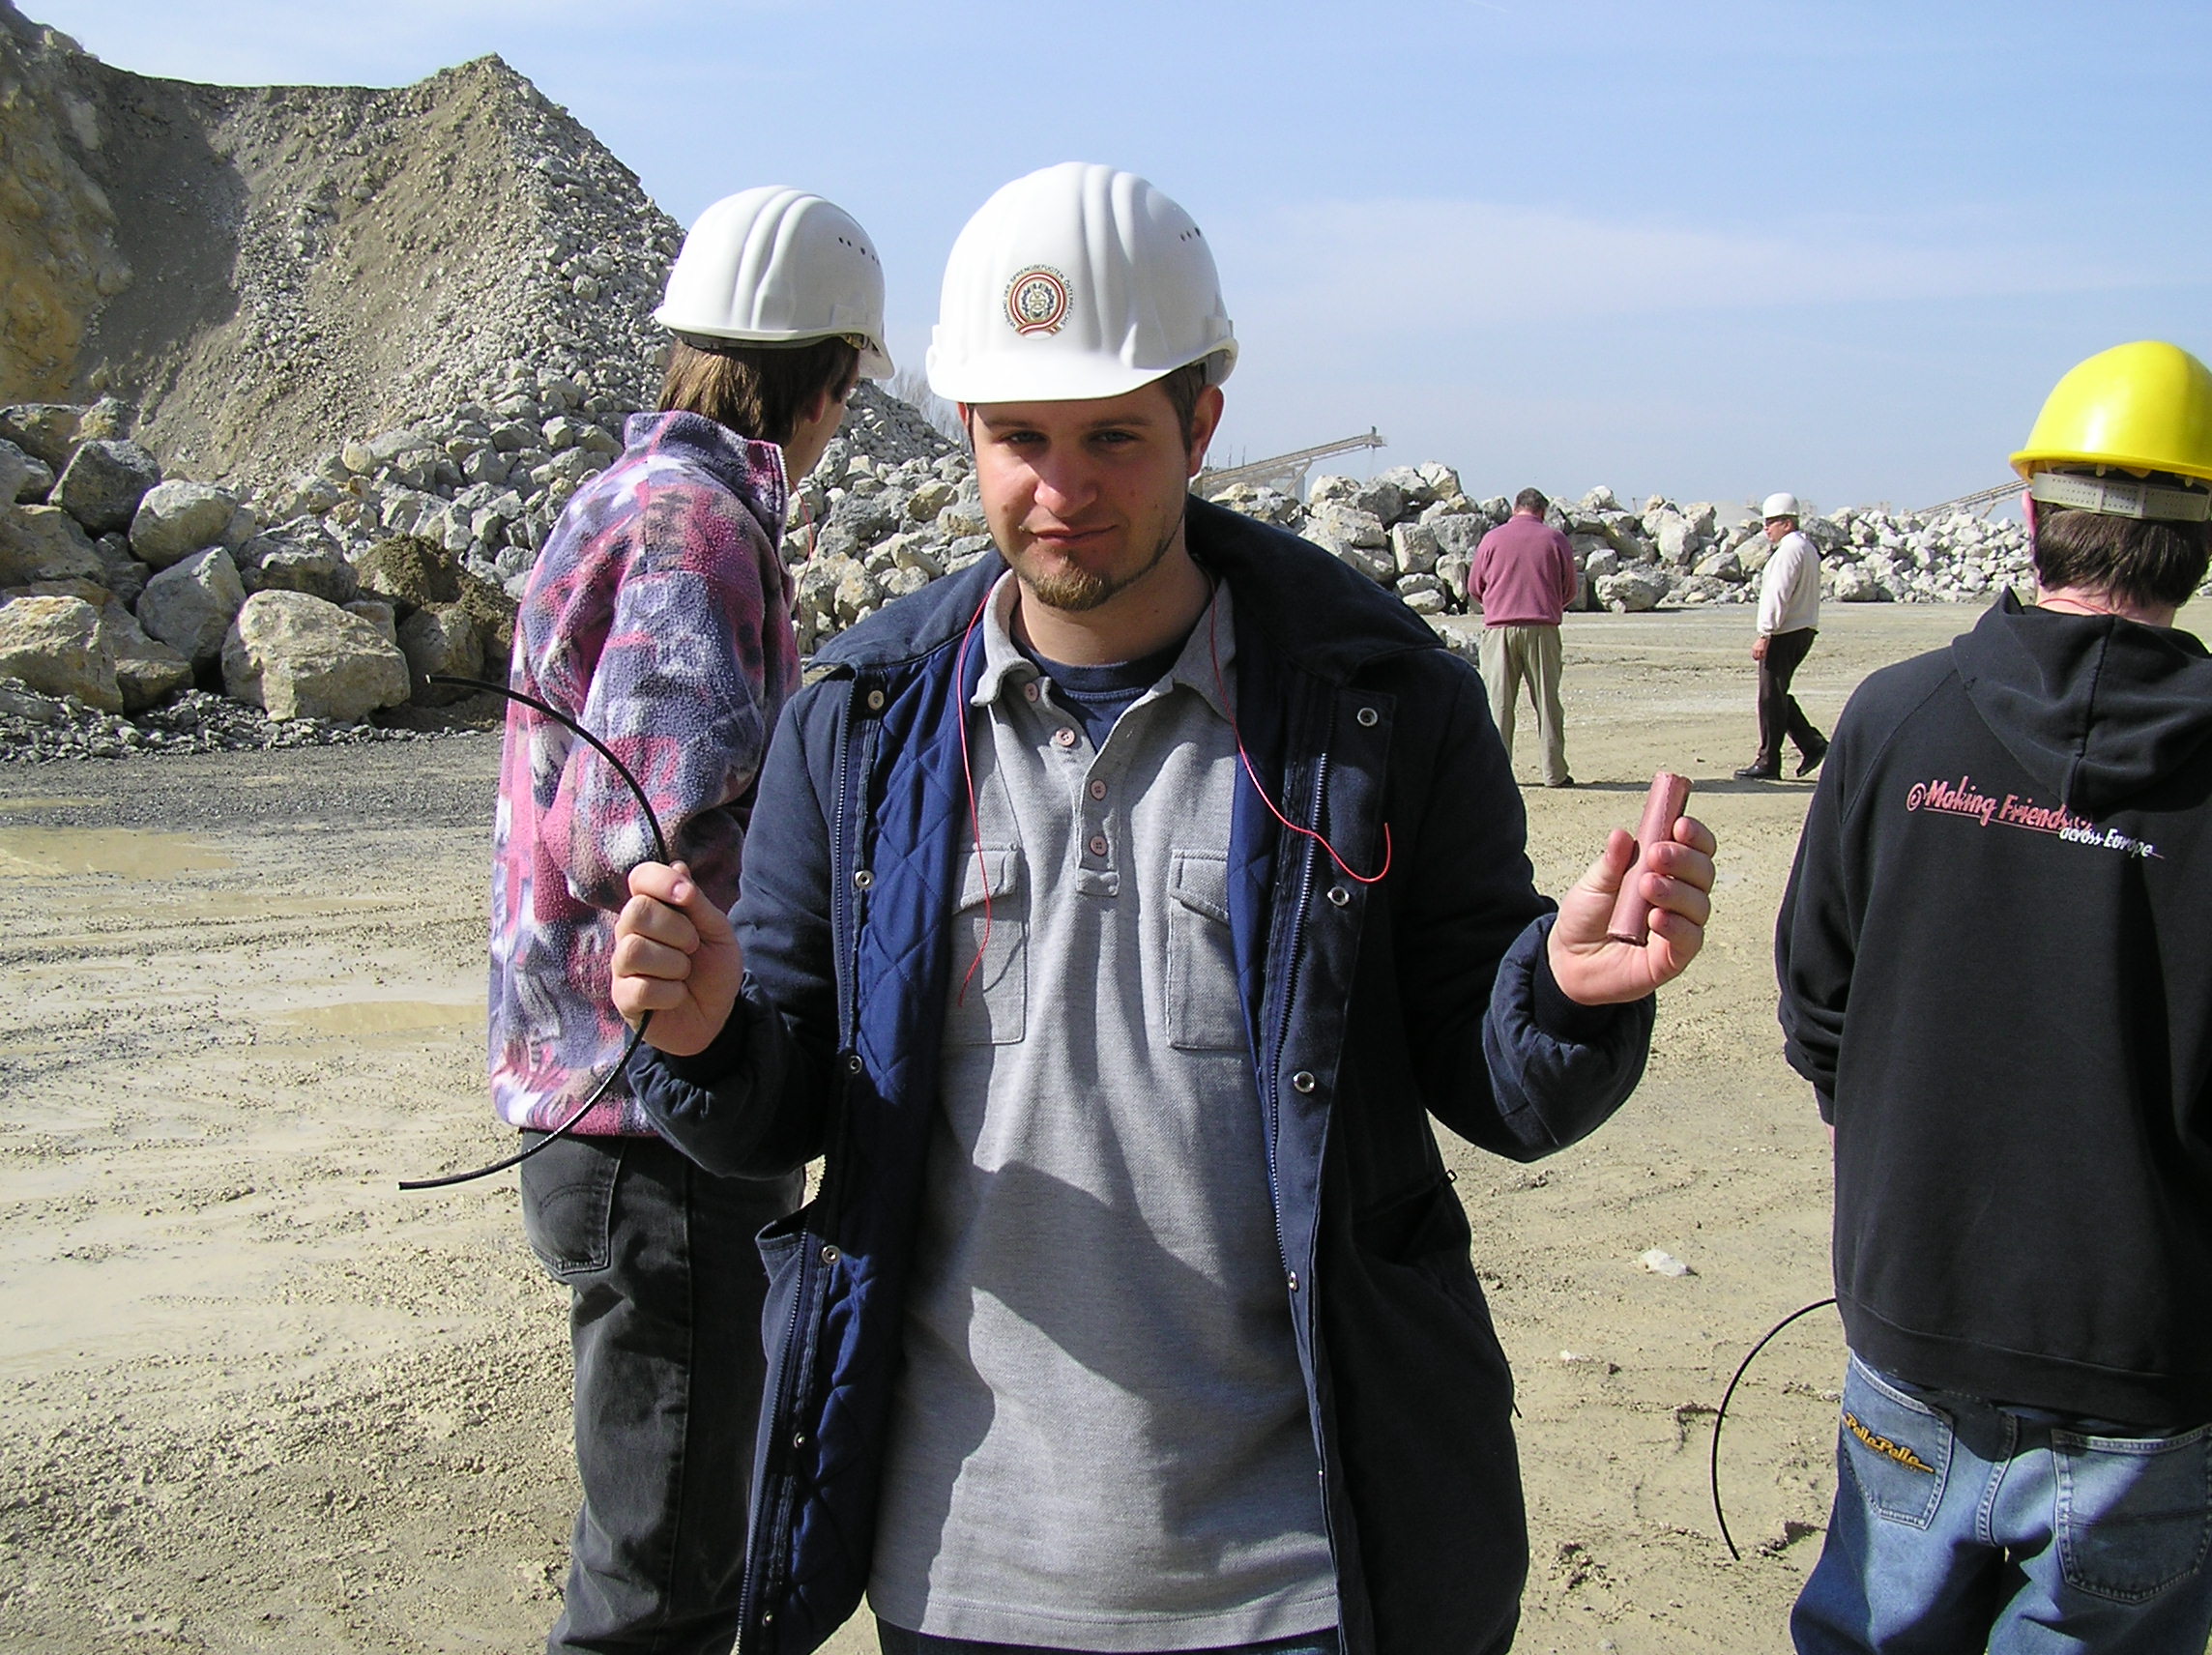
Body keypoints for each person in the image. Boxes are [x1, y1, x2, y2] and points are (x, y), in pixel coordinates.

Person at [609, 162, 1718, 1655]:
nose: (1062, 490)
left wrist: (1562, 994)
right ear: (965, 429)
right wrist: (705, 1035)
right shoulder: (857, 727)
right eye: (1020, 438)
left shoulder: (1383, 713)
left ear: (1201, 425)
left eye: (1114, 438)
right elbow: (794, 1100)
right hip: (960, 1572)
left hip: (1298, 1580)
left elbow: (1490, 1079)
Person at [486, 185, 892, 1655]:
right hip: (655, 1119)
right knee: (665, 1581)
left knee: (665, 1547)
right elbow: (640, 830)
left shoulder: (626, 493)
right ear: (825, 379)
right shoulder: (698, 528)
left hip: (602, 1101)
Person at [1775, 339, 2212, 1654]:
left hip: (1915, 1324)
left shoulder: (1897, 718)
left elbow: (1817, 1003)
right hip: (2149, 1359)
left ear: (2029, 513)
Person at [1467, 487, 1579, 787]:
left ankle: (1496, 775)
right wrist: (1549, 603)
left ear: (1515, 508)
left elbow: (1475, 586)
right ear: (1542, 511)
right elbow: (1570, 589)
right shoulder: (1555, 540)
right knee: (1547, 703)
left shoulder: (1492, 539)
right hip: (1542, 628)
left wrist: (1497, 604)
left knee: (1498, 705)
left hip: (1499, 629)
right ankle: (1554, 772)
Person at [1735, 491, 1829, 779]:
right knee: (1776, 695)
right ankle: (1810, 743)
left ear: (1787, 523)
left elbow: (1778, 594)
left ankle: (1769, 761)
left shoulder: (1789, 551)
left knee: (1769, 698)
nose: (1766, 529)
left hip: (1784, 632)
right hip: (1803, 628)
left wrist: (1765, 633)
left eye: (1771, 522)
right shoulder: (1807, 549)